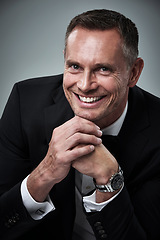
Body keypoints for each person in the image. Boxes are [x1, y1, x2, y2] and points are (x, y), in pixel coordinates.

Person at [0, 9, 160, 240]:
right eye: (75, 66)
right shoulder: (24, 103)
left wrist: (110, 180)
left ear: (133, 72)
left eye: (103, 69)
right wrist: (45, 173)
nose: (84, 85)